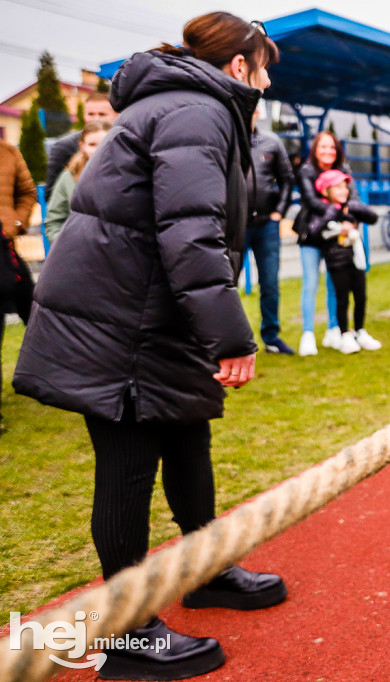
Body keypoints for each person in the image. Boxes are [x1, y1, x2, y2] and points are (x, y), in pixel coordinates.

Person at [14, 13, 286, 680]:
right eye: (264, 63)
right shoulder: (197, 110)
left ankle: (205, 571)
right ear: (238, 66)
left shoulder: (198, 105)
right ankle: (124, 636)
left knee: (188, 438)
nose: (269, 77)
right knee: (129, 465)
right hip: (119, 325)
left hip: (150, 318)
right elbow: (189, 234)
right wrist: (230, 335)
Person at [291, 130, 352, 356]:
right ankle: (307, 334)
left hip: (336, 237)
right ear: (315, 150)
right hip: (312, 235)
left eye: (332, 147)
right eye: (323, 147)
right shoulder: (307, 171)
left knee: (335, 283)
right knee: (311, 282)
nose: (328, 151)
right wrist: (337, 209)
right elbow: (311, 201)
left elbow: (352, 198)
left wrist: (348, 217)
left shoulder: (344, 170)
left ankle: (333, 329)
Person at [309, 169, 382, 353]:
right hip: (337, 262)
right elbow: (316, 231)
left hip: (357, 261)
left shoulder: (351, 207)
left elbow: (372, 217)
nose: (343, 191)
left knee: (361, 297)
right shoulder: (324, 210)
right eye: (337, 187)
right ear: (326, 191)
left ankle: (360, 331)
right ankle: (344, 334)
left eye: (345, 187)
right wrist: (338, 219)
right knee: (342, 299)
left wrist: (353, 208)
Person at [245, 107, 295, 355]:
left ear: (257, 114)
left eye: (252, 110)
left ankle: (271, 337)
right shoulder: (225, 139)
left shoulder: (271, 142)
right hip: (235, 226)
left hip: (266, 225)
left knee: (270, 283)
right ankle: (227, 342)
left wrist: (279, 213)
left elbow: (287, 180)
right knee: (225, 284)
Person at [0, 139, 37, 431]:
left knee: (38, 312)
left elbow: (27, 192)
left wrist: (15, 222)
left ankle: (59, 378)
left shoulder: (8, 151)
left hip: (5, 250)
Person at [43, 119, 112, 244]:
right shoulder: (69, 177)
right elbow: (54, 219)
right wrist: (66, 245)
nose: (98, 149)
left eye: (103, 143)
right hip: (82, 252)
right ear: (82, 146)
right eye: (92, 144)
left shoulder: (128, 172)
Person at [44, 92, 117, 202]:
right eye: (91, 114)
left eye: (102, 114)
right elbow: (51, 193)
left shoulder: (124, 142)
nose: (96, 118)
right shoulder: (64, 147)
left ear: (115, 115)